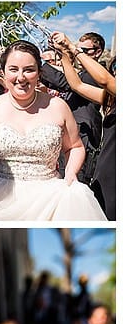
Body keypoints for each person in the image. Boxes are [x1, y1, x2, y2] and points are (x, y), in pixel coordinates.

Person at [0, 40, 106, 221]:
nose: (21, 77)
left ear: (39, 73)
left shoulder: (57, 106)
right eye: (13, 69)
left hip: (50, 196)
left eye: (29, 70)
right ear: (3, 72)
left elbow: (75, 146)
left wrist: (71, 174)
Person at [50, 31, 116, 220]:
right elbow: (77, 85)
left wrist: (73, 48)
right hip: (106, 167)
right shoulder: (111, 99)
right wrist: (63, 53)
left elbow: (105, 80)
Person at [41, 32, 104, 184]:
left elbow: (65, 82)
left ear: (98, 52)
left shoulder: (95, 74)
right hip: (74, 136)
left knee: (76, 184)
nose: (79, 54)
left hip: (84, 137)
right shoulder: (84, 72)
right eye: (79, 49)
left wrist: (34, 63)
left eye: (85, 51)